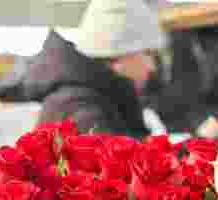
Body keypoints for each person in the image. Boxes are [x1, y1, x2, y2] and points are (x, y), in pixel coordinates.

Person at [20, 0, 166, 137]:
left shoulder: (91, 99)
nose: (151, 66)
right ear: (120, 54)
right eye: (147, 53)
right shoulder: (84, 113)